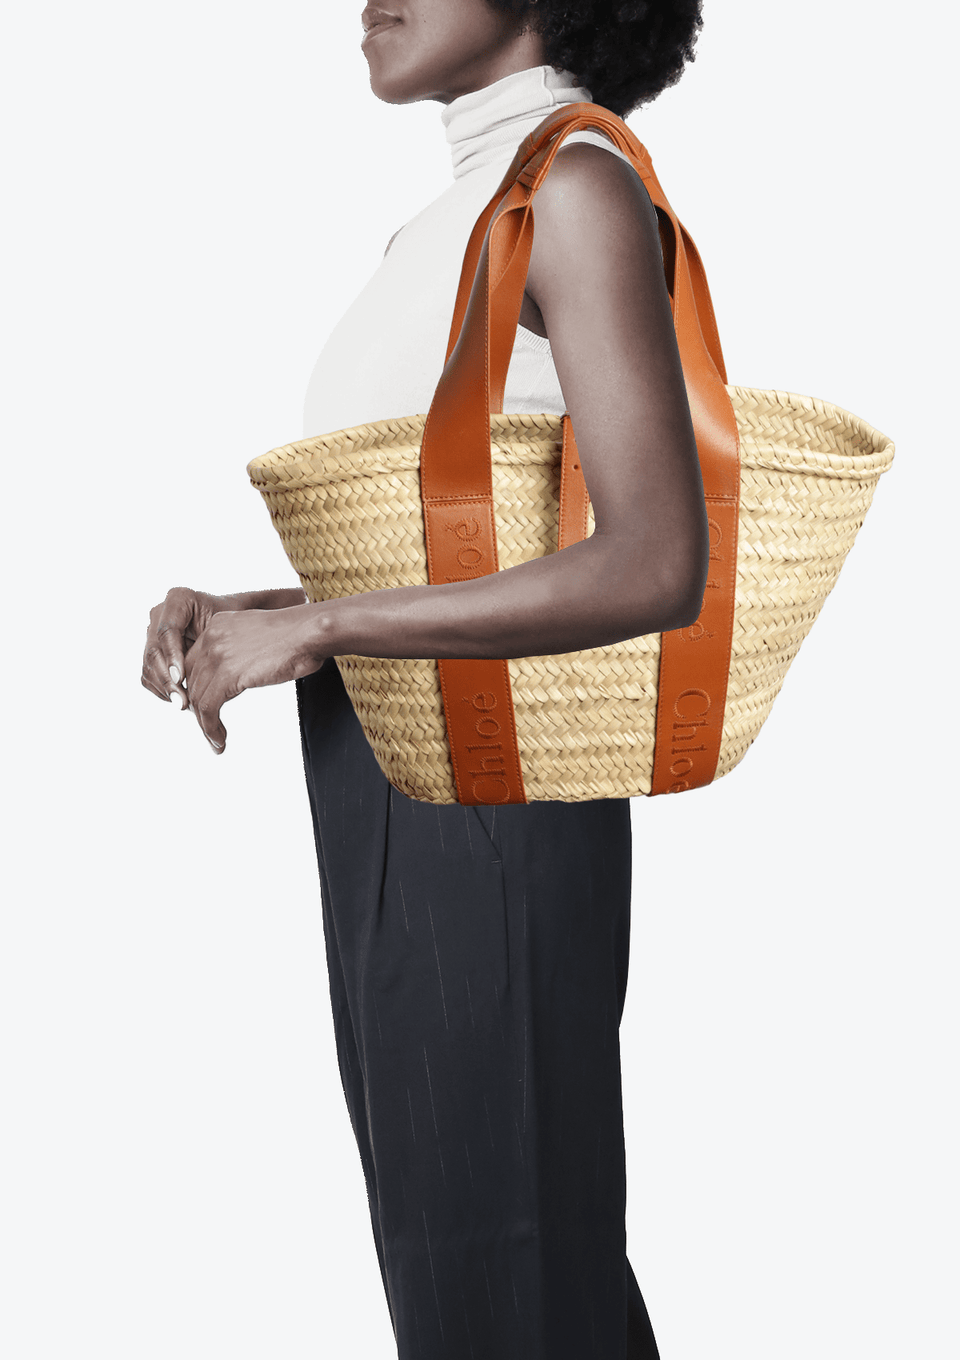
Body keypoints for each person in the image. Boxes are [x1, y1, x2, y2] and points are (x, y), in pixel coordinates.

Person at [141, 2, 709, 1355]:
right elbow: (472, 546)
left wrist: (326, 629)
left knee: (507, 1268)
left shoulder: (569, 187)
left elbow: (654, 560)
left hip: (493, 794)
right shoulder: (459, 217)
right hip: (394, 780)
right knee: (469, 1260)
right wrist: (271, 615)